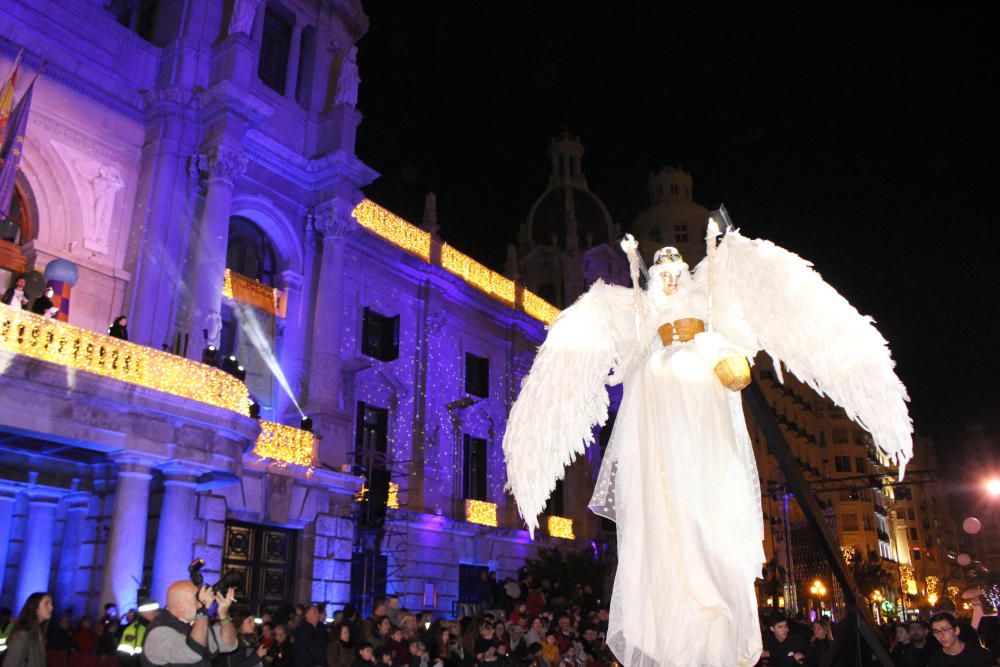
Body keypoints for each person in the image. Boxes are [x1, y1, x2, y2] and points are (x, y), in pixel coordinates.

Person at [503, 222, 914, 666]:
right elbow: (624, 347)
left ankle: (710, 577)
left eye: (677, 269)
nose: (671, 277)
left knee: (707, 484)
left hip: (704, 393)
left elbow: (729, 335)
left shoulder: (711, 295)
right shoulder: (637, 313)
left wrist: (724, 351)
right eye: (661, 272)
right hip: (656, 399)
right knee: (663, 494)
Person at [139, 580, 237, 666]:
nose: (203, 602)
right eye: (196, 599)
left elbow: (229, 644)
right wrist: (202, 611)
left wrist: (224, 615)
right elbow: (194, 652)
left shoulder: (197, 623)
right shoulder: (158, 633)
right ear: (180, 605)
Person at [4, 591, 54, 667]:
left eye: (51, 604)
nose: (51, 607)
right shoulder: (22, 635)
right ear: (35, 608)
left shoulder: (39, 633)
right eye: (47, 603)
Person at [928, 613, 994, 666]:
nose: (941, 635)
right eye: (936, 632)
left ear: (956, 630)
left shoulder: (980, 655)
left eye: (945, 630)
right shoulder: (935, 659)